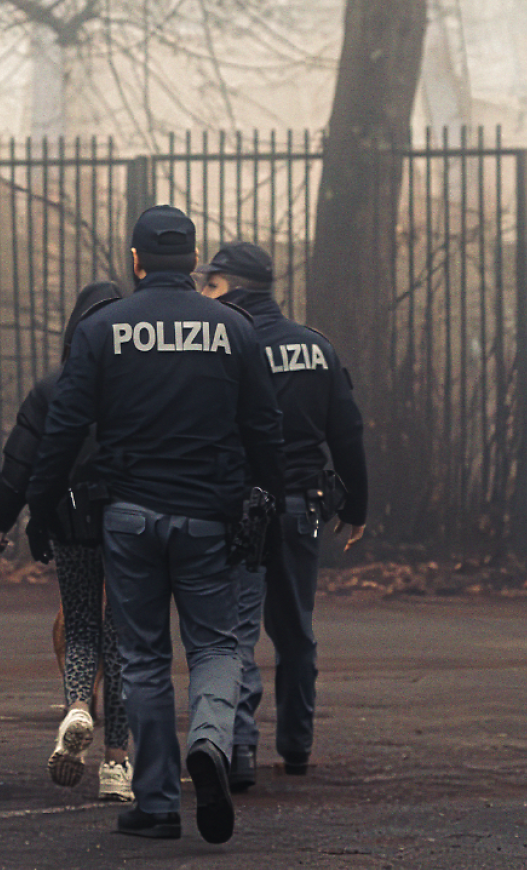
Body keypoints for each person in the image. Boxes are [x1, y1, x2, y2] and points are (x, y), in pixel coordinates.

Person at [26, 206, 284, 844]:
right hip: (209, 517)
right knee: (219, 647)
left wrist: (42, 506)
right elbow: (264, 428)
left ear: (136, 261)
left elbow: (64, 428)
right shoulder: (234, 328)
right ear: (196, 261)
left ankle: (158, 802)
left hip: (130, 517)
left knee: (141, 656)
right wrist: (269, 501)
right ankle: (209, 742)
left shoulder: (101, 329)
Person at [196, 241, 367, 787]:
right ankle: (296, 746)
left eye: (210, 283)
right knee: (295, 630)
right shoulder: (316, 347)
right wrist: (357, 505)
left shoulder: (224, 346)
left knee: (235, 632)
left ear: (231, 287)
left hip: (238, 508)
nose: (201, 292)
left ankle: (240, 750)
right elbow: (346, 432)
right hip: (302, 506)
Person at [0, 281, 133, 802]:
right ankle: (117, 764)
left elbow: (23, 463)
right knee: (121, 638)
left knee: (81, 627)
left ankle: (75, 706)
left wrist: (10, 518)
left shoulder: (53, 387)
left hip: (72, 524)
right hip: (131, 523)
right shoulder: (141, 382)